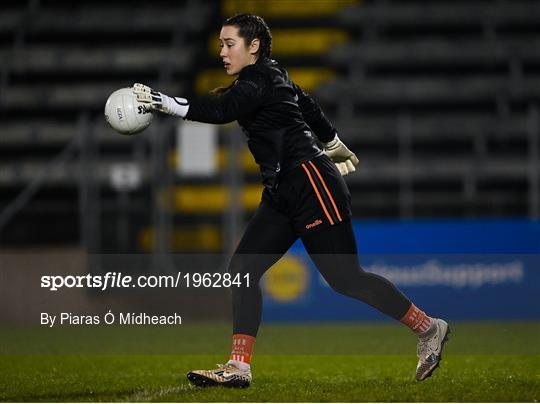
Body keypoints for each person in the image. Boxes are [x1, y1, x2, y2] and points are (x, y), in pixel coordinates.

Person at [133, 13, 450, 388]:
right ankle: (238, 367)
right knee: (243, 269)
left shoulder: (259, 78)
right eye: (219, 43)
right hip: (283, 191)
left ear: (253, 47)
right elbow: (306, 102)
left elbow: (222, 111)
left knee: (346, 279)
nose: (221, 52)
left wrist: (164, 102)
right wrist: (332, 142)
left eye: (229, 43)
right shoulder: (268, 74)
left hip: (312, 184)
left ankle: (428, 328)